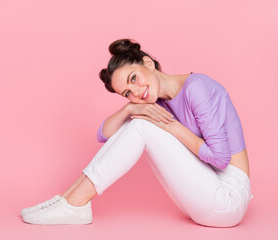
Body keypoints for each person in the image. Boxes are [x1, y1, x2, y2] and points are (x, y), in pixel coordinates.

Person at [21, 38, 254, 227]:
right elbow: (103, 134)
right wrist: (129, 108)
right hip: (205, 192)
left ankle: (75, 203)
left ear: (148, 63)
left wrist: (172, 127)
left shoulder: (198, 88)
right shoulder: (155, 102)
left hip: (229, 198)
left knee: (143, 125)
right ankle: (66, 200)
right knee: (139, 121)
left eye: (134, 79)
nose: (136, 92)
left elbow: (221, 159)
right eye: (126, 92)